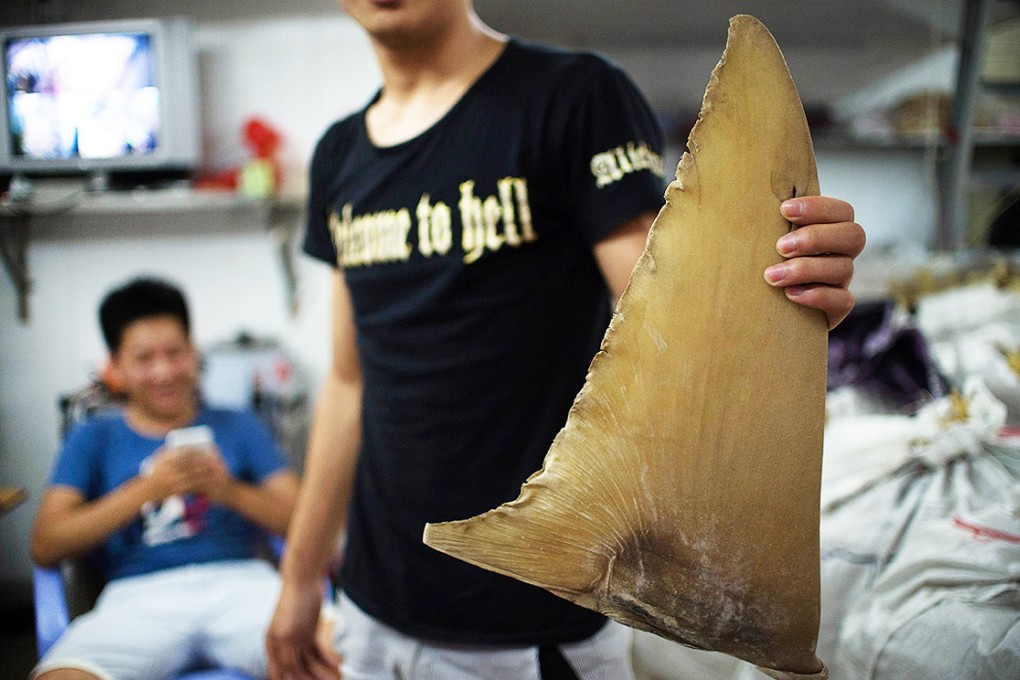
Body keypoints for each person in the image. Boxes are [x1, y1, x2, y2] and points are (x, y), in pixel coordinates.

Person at [266, 1, 867, 679]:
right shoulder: (339, 154)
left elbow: (679, 320)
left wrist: (782, 299)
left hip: (528, 620)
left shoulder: (573, 97)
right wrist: (298, 580)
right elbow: (348, 383)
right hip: (374, 605)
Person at [30, 277, 303, 680]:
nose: (164, 371)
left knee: (341, 658)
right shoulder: (93, 438)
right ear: (115, 367)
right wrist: (148, 489)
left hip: (243, 587)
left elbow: (304, 520)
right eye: (143, 359)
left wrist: (226, 490)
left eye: (175, 353)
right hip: (136, 599)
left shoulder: (239, 425)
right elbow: (46, 544)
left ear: (194, 353)